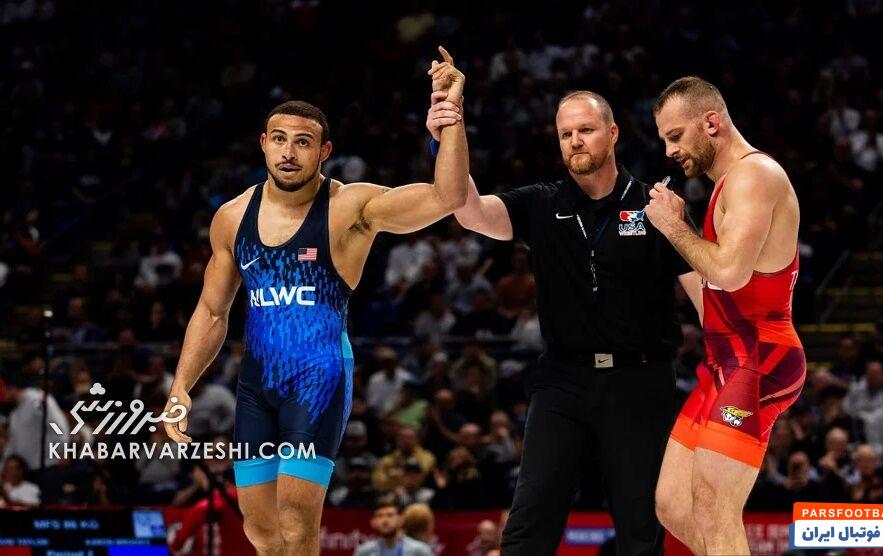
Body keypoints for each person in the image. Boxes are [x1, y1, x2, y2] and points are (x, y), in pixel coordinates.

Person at [162, 47, 468, 556]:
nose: (289, 152)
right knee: (260, 531)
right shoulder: (232, 218)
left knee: (295, 521)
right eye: (279, 139)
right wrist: (180, 386)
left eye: (303, 142)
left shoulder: (351, 207)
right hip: (256, 386)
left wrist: (450, 117)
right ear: (263, 144)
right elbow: (213, 312)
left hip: (318, 379)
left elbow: (448, 197)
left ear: (324, 151)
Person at [427, 89, 699, 555]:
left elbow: (705, 297)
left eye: (586, 130)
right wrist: (447, 137)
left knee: (641, 529)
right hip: (562, 380)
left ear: (612, 133)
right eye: (565, 133)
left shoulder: (657, 205)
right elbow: (470, 212)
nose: (575, 140)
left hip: (640, 380)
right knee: (528, 523)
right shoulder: (541, 202)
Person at [645, 76, 806, 555]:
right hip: (726, 361)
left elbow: (730, 273)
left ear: (711, 122)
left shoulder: (755, 175)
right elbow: (715, 290)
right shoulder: (727, 186)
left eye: (676, 136)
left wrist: (674, 227)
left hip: (759, 358)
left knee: (715, 509)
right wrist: (668, 240)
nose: (670, 151)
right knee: (674, 504)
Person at [354, 497, 433, 556]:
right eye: (380, 516)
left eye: (390, 515)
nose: (385, 520)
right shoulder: (364, 551)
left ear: (401, 520)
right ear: (373, 522)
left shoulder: (419, 550)